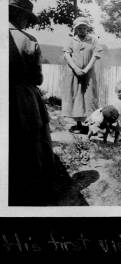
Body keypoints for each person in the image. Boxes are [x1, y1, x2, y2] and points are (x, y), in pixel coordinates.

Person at [9, 0, 60, 205]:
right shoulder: (29, 41)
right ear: (20, 15)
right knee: (31, 144)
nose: (27, 23)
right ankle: (33, 191)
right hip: (23, 98)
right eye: (27, 19)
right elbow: (37, 78)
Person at [62, 17, 103, 134]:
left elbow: (95, 56)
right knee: (76, 97)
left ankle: (89, 124)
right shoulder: (71, 40)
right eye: (79, 28)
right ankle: (77, 124)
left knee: (89, 98)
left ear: (87, 28)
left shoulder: (93, 40)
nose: (81, 30)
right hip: (74, 74)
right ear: (75, 29)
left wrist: (85, 70)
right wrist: (76, 68)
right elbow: (67, 55)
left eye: (84, 27)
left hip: (88, 74)